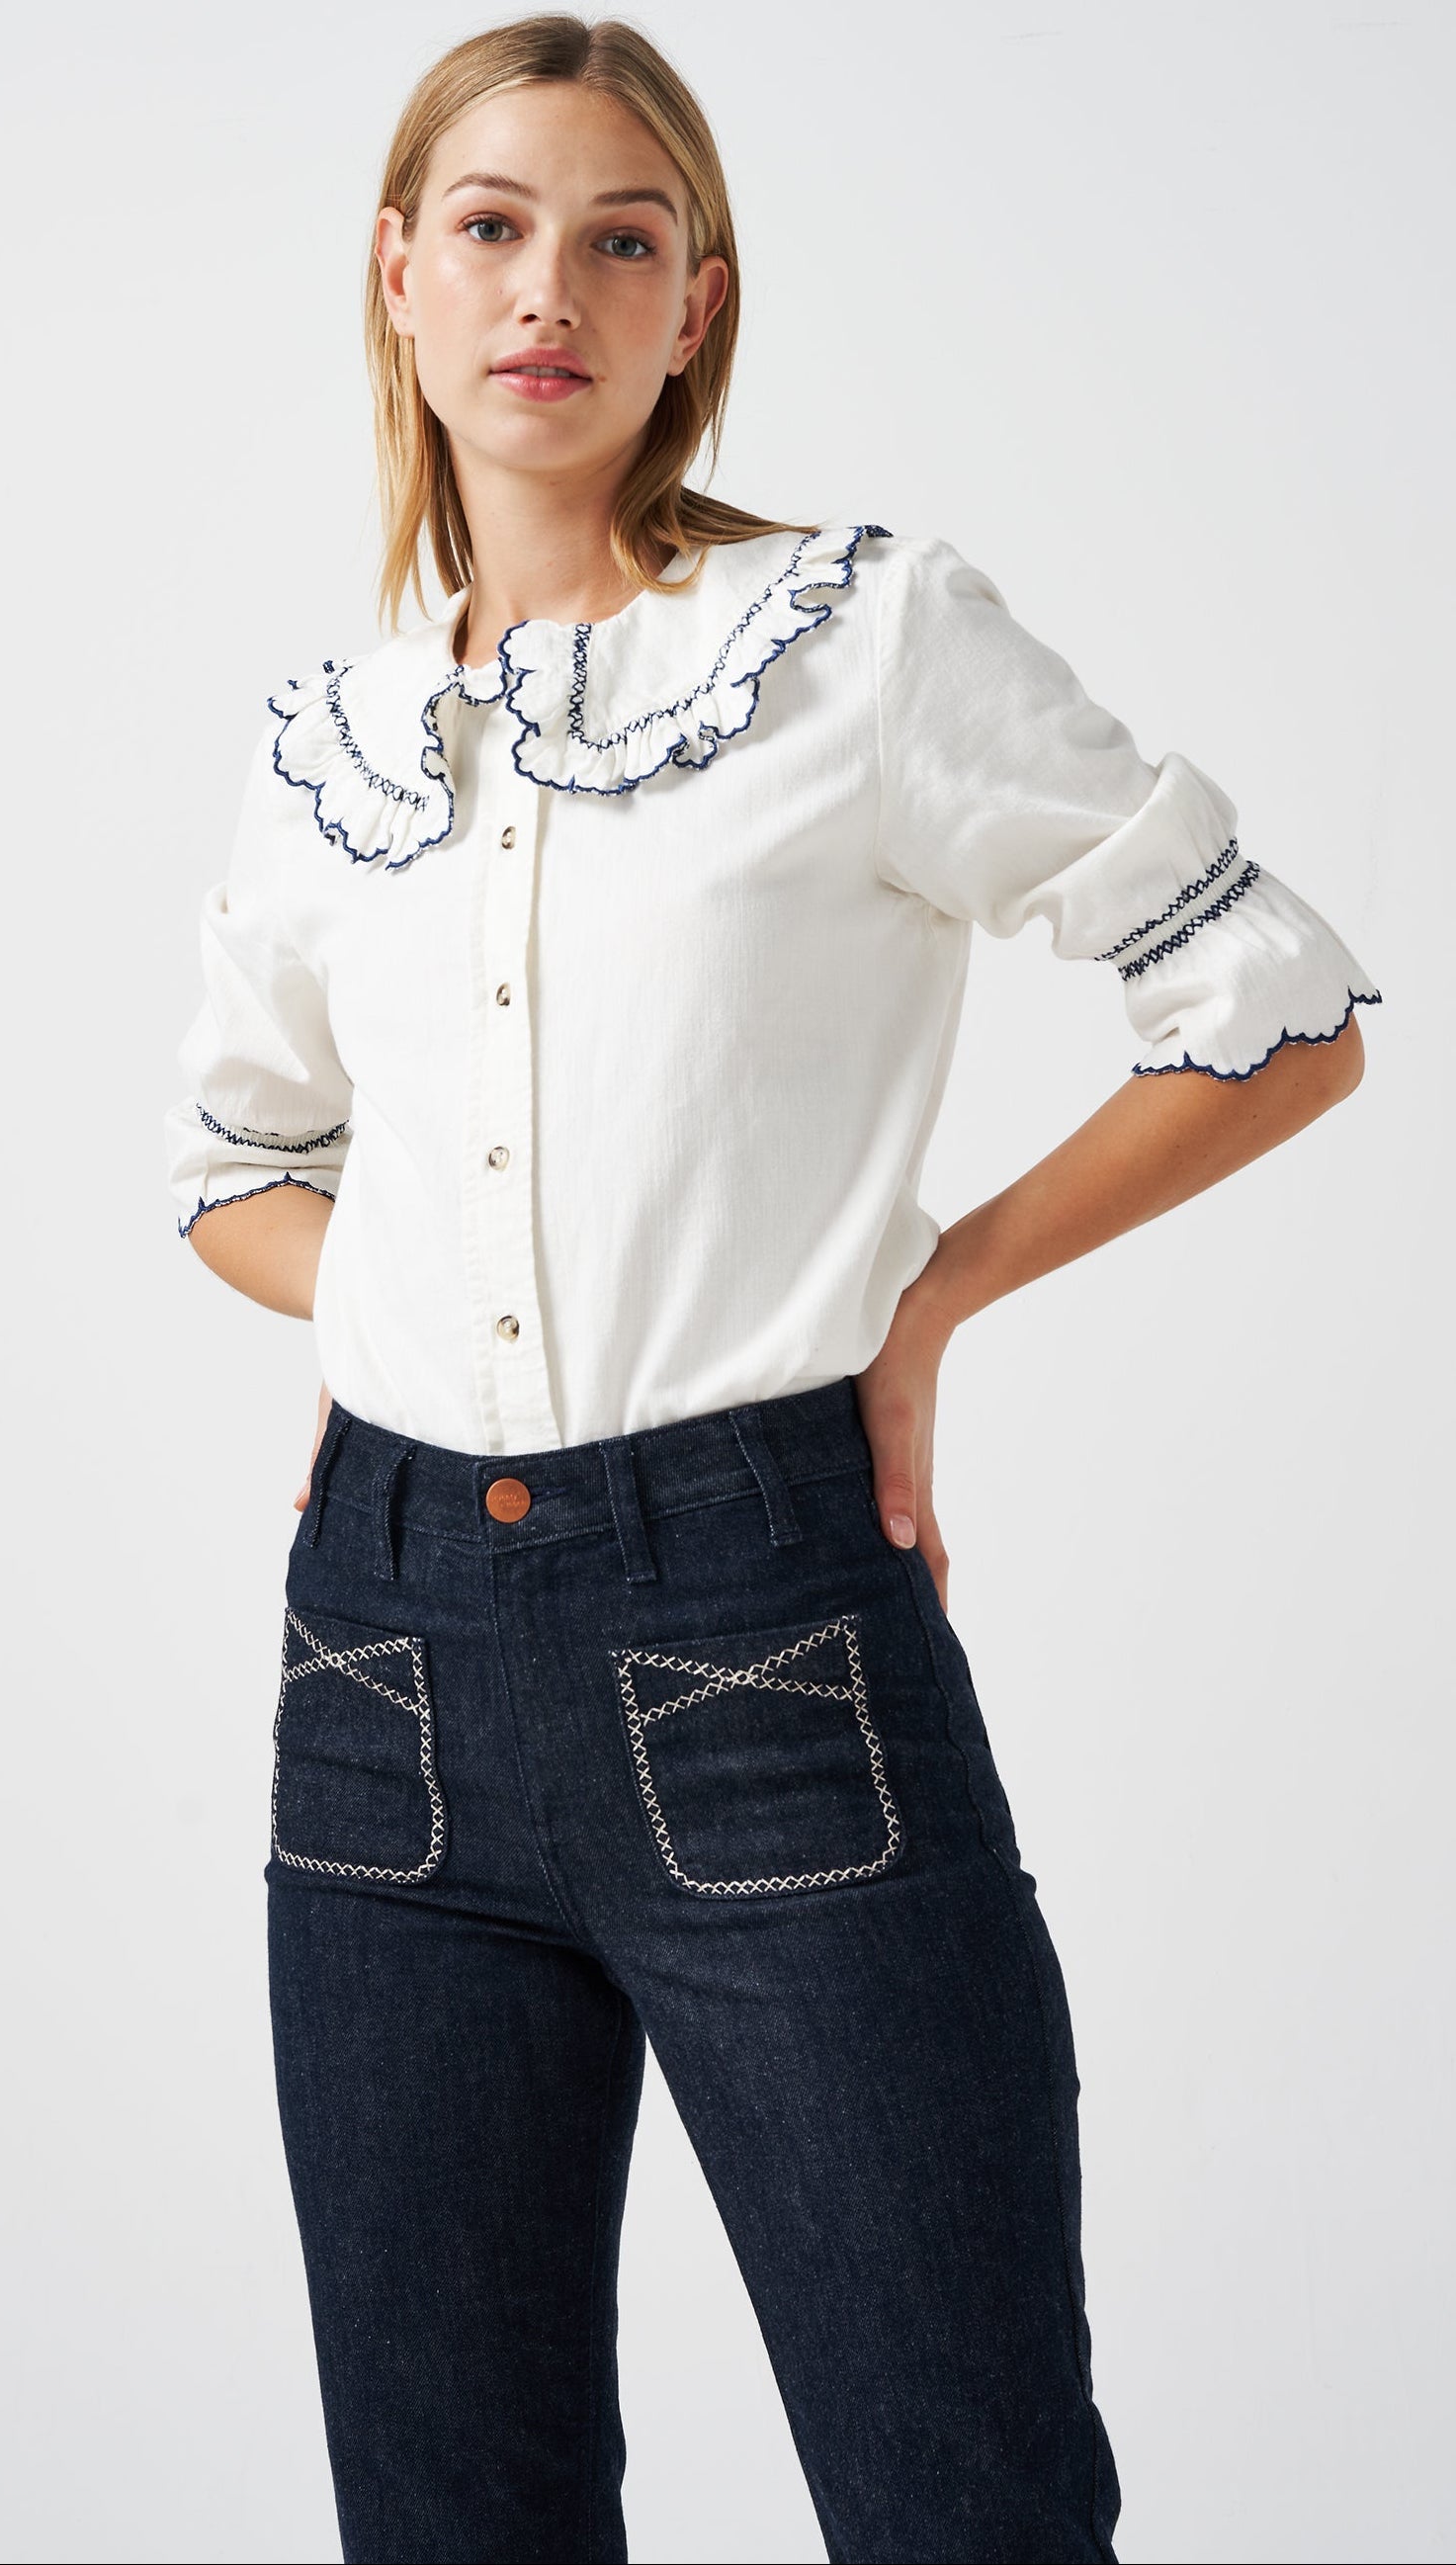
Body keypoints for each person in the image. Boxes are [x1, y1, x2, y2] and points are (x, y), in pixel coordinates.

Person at [163, 17, 1381, 2562]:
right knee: (448, 2509)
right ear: (394, 276)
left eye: (622, 239)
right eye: (489, 227)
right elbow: (232, 1168)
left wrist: (928, 1291)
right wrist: (386, 1311)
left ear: (697, 301)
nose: (550, 291)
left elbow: (1267, 1003)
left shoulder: (853, 642)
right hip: (372, 1672)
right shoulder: (330, 744)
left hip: (754, 1636)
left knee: (959, 2492)